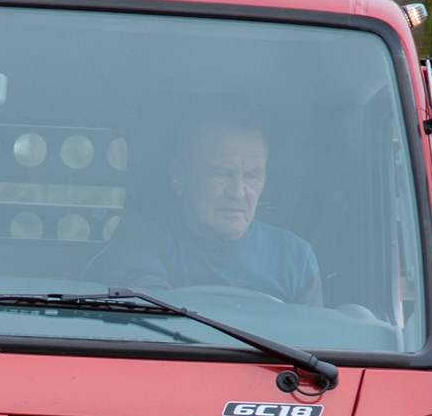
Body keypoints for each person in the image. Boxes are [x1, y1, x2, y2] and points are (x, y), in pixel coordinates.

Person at [88, 99, 320, 304]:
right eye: (221, 174)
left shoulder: (295, 259)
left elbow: (312, 347)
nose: (238, 192)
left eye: (251, 176)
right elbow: (154, 320)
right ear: (178, 176)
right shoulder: (140, 238)